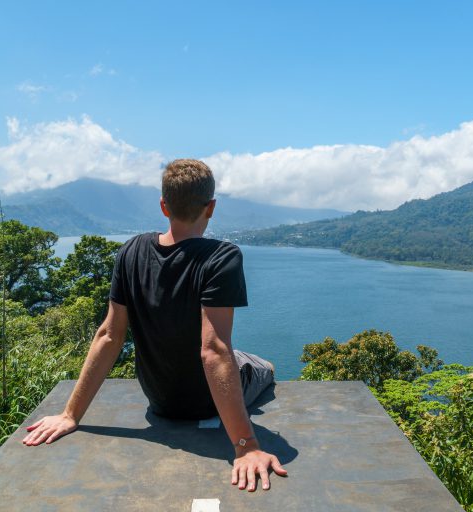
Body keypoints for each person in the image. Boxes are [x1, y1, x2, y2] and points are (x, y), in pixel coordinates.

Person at [22, 159, 287, 492]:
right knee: (263, 365)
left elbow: (108, 335)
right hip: (204, 402)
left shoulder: (130, 251)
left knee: (234, 355)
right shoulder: (221, 257)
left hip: (159, 402)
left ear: (164, 206)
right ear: (211, 207)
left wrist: (70, 415)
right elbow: (214, 350)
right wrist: (247, 445)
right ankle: (258, 370)